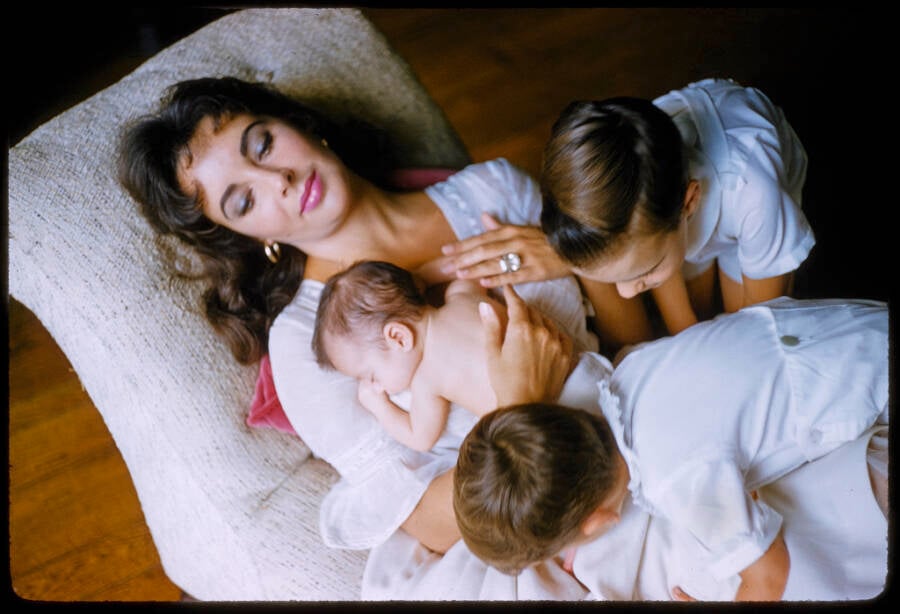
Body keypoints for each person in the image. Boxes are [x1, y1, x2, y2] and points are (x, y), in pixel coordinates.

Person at [117, 75, 594, 596]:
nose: (279, 179)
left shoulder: (493, 191)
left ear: (301, 127)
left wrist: (576, 251)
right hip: (531, 529)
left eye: (263, 144)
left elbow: (635, 339)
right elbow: (428, 524)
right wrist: (523, 403)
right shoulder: (307, 343)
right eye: (243, 202)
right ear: (252, 239)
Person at [454, 296, 889, 601]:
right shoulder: (628, 373)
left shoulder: (677, 481)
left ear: (598, 522)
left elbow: (771, 573)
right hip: (852, 328)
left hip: (871, 393)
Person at [538, 78, 815, 353]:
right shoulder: (639, 184)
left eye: (644, 272)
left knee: (744, 324)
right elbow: (653, 250)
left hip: (749, 205)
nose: (626, 293)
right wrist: (686, 331)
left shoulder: (755, 198)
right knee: (693, 312)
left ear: (690, 202)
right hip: (678, 217)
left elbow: (761, 330)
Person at [312, 259, 554, 451]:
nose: (375, 385)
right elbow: (467, 272)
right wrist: (424, 276)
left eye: (370, 374)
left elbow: (420, 438)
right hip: (572, 365)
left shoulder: (426, 380)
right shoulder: (462, 297)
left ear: (398, 337)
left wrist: (379, 406)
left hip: (545, 423)